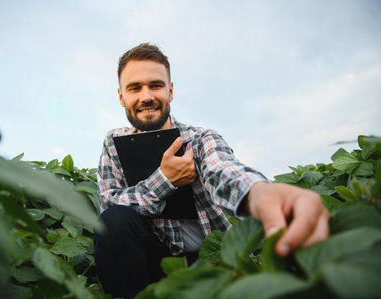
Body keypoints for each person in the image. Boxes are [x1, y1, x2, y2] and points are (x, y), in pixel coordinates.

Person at [94, 43, 329, 298]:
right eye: (134, 88)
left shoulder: (199, 138)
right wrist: (165, 180)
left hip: (210, 262)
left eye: (156, 85)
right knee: (114, 222)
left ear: (170, 91)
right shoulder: (113, 143)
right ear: (121, 97)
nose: (146, 96)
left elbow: (222, 169)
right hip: (152, 261)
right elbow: (109, 202)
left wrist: (258, 193)